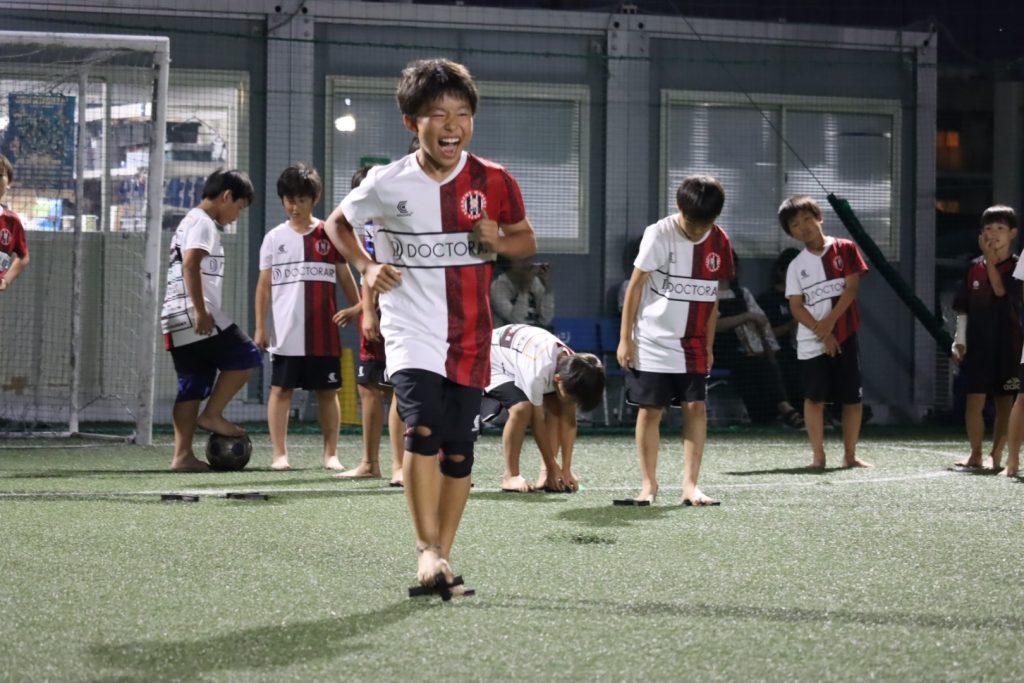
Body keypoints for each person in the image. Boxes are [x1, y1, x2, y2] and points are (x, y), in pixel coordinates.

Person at [323, 58, 537, 591]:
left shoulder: (495, 180)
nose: (452, 126)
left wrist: (498, 241)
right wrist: (366, 267)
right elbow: (336, 224)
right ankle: (426, 551)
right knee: (421, 429)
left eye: (462, 114)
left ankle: (441, 555)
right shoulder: (385, 181)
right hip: (410, 330)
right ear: (411, 121)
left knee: (459, 449)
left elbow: (525, 241)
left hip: (470, 334)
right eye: (438, 114)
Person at [616, 175, 734, 506]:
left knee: (696, 408)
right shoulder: (659, 233)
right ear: (679, 207)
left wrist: (709, 344)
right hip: (652, 339)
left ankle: (690, 487)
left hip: (693, 343)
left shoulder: (720, 241)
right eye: (692, 223)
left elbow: (712, 297)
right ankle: (649, 486)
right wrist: (626, 339)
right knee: (651, 410)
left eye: (705, 224)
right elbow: (635, 286)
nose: (698, 231)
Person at [254, 163, 361, 471]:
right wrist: (261, 327)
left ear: (314, 199)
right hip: (285, 334)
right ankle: (279, 455)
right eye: (289, 199)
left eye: (301, 199)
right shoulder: (273, 238)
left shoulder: (329, 233)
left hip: (323, 335)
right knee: (280, 390)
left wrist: (360, 308)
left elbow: (345, 276)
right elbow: (263, 287)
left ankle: (331, 455)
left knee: (328, 392)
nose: (294, 206)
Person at [160, 169, 261, 472]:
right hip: (193, 314)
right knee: (247, 355)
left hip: (173, 317)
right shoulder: (203, 223)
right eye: (238, 208)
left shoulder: (189, 221)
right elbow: (191, 265)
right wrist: (201, 311)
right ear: (226, 196)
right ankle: (212, 415)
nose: (236, 215)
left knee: (192, 384)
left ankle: (182, 457)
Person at [779, 195, 872, 470]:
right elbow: (796, 307)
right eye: (795, 224)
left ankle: (850, 456)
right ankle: (818, 457)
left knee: (852, 398)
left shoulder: (845, 248)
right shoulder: (796, 266)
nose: (804, 227)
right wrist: (823, 333)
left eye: (807, 219)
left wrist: (831, 323)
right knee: (814, 398)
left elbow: (851, 289)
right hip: (811, 341)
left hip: (845, 334)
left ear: (819, 217)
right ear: (790, 233)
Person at [336, 164, 405, 486]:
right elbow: (371, 274)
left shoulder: (391, 224)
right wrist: (364, 311)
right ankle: (370, 463)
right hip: (378, 316)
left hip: (398, 318)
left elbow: (381, 273)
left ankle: (402, 465)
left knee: (402, 388)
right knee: (368, 386)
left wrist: (367, 312)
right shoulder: (366, 229)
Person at [482, 324, 606, 492]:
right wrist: (554, 465)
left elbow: (569, 421)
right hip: (490, 357)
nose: (571, 403)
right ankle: (510, 476)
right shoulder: (537, 372)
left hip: (520, 355)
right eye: (571, 399)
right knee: (522, 409)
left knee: (556, 407)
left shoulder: (574, 368)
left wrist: (566, 469)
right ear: (557, 379)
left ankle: (546, 475)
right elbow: (537, 422)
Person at [949, 205, 1021, 470]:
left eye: (1001, 228)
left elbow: (1001, 291)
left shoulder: (1018, 266)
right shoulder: (973, 268)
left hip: (1009, 346)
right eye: (989, 228)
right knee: (973, 401)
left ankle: (997, 455)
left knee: (1005, 403)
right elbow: (963, 308)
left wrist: (990, 259)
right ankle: (976, 454)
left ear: (1012, 233)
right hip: (978, 346)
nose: (994, 233)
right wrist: (959, 340)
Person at [715, 250, 804, 428]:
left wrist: (770, 348)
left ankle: (783, 410)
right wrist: (745, 317)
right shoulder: (706, 294)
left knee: (770, 361)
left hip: (746, 348)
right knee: (751, 363)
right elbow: (712, 326)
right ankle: (782, 410)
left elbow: (763, 323)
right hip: (717, 350)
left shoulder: (742, 294)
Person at [756, 248, 802, 406]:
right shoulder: (767, 299)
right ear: (781, 271)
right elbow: (762, 334)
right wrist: (790, 325)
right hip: (780, 352)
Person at [491, 257, 554, 329]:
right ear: (509, 263)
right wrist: (524, 291)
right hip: (510, 333)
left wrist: (548, 289)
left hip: (534, 331)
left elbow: (546, 319)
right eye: (521, 260)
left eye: (528, 259)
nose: (527, 264)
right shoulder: (496, 287)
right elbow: (517, 321)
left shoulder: (535, 282)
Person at [0, 153, 28, 292]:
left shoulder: (12, 222)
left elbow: (24, 257)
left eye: (0, 175)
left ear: (9, 183)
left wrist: (6, 280)